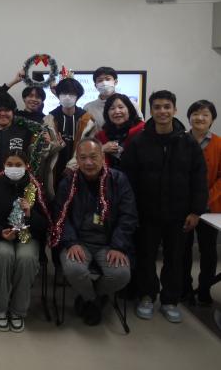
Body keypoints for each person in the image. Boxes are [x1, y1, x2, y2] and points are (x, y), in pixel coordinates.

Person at [122, 90, 208, 323]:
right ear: (151, 111)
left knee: (175, 258)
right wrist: (131, 211)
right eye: (157, 107)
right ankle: (147, 296)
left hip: (179, 214)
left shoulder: (188, 143)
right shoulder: (138, 142)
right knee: (146, 256)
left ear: (175, 110)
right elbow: (128, 179)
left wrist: (196, 211)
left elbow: (199, 179)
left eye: (167, 107)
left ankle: (170, 300)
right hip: (146, 213)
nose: (162, 111)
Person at [51, 139, 138, 326]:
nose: (88, 162)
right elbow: (60, 217)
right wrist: (71, 242)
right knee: (74, 269)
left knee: (121, 274)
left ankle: (88, 298)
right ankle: (94, 300)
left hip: (109, 243)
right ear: (77, 160)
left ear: (102, 156)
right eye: (83, 158)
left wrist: (118, 246)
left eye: (93, 157)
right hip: (78, 242)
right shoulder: (68, 183)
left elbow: (128, 216)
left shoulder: (118, 180)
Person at [0, 150, 51, 332]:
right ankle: (0, 309)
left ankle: (18, 310)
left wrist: (30, 214)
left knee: (26, 259)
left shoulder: (35, 187)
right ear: (4, 165)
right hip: (1, 236)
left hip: (28, 236)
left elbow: (46, 223)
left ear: (26, 166)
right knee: (4, 255)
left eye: (18, 165)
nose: (13, 168)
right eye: (9, 164)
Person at [182, 100, 220, 306]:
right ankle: (185, 289)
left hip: (209, 208)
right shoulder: (179, 141)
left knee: (208, 251)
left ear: (212, 119)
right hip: (182, 206)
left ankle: (204, 289)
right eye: (196, 114)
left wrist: (204, 200)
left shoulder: (219, 144)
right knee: (183, 250)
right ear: (189, 117)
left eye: (205, 114)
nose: (200, 118)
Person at [43, 77, 96, 198]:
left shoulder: (87, 120)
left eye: (71, 93)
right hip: (54, 171)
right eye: (63, 93)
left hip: (80, 170)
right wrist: (54, 145)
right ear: (58, 95)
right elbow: (44, 151)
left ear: (78, 96)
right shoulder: (49, 119)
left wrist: (71, 167)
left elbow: (90, 149)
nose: (67, 97)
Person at [84, 66, 143, 131]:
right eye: (100, 80)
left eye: (108, 79)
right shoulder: (88, 108)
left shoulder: (131, 104)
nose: (104, 83)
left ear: (115, 82)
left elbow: (140, 127)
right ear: (95, 85)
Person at [95, 93, 145, 169]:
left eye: (121, 107)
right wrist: (102, 149)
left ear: (129, 110)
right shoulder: (101, 136)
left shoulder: (142, 130)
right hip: (110, 175)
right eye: (112, 108)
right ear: (107, 113)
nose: (117, 111)